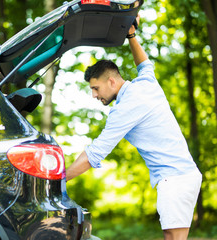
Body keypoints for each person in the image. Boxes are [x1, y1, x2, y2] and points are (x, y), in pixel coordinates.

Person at [66, 15, 202, 240]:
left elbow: (94, 153)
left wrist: (58, 179)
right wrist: (131, 35)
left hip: (174, 178)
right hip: (183, 175)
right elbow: (144, 64)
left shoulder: (126, 108)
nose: (94, 95)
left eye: (96, 88)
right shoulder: (146, 83)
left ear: (111, 81)